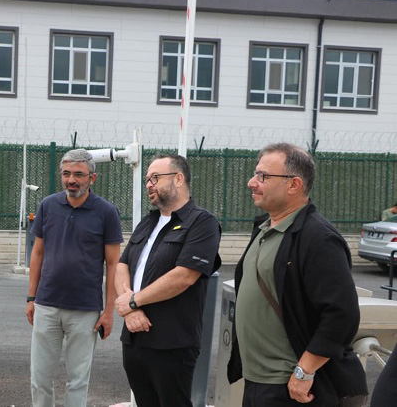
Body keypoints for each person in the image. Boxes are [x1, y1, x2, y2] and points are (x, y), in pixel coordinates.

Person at [227, 143, 367, 406]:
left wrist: (305, 371)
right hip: (258, 381)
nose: (251, 183)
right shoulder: (265, 228)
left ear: (294, 184)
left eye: (263, 176)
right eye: (255, 174)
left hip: (292, 387)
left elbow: (341, 314)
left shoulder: (318, 238)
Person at [114, 153, 221, 407]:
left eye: (155, 178)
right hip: (135, 338)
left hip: (172, 344)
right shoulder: (148, 222)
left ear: (179, 179)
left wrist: (133, 301)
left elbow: (184, 276)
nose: (149, 184)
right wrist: (131, 311)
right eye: (147, 179)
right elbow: (122, 265)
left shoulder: (202, 223)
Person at [25, 148, 123, 407]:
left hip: (85, 310)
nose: (71, 180)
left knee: (78, 380)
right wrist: (31, 297)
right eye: (66, 173)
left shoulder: (106, 212)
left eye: (78, 174)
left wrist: (109, 311)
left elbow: (113, 264)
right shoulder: (48, 205)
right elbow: (38, 253)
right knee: (39, 378)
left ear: (92, 178)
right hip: (47, 305)